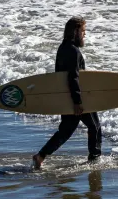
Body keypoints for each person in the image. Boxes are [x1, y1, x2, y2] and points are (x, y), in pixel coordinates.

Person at [33, 16, 102, 169]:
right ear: (76, 31)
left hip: (66, 96)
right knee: (94, 127)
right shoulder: (73, 52)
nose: (85, 34)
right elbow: (73, 77)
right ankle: (95, 161)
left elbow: (62, 76)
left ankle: (40, 156)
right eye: (83, 31)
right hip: (77, 97)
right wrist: (77, 101)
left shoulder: (63, 48)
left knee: (66, 130)